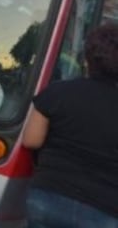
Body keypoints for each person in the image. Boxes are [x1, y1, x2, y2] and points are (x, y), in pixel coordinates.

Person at [22, 22, 118, 226]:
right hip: (105, 210)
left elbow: (31, 140)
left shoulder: (58, 92)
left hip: (49, 196)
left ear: (87, 59)